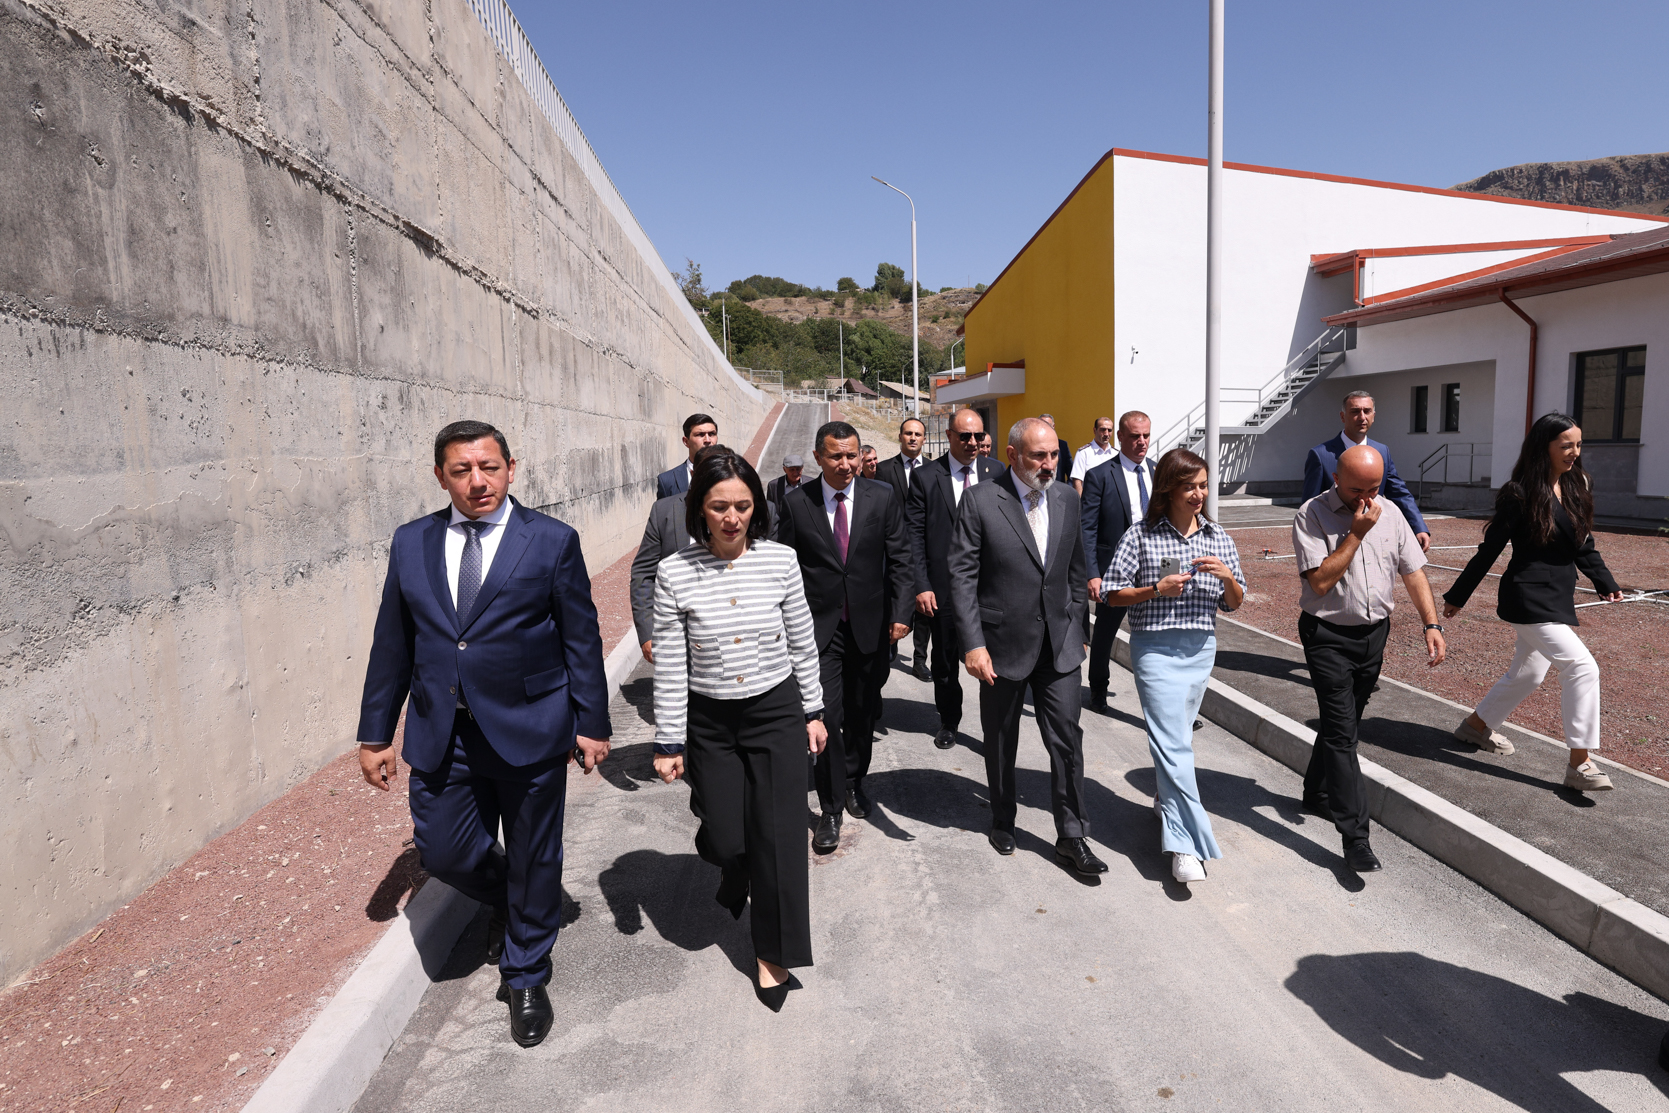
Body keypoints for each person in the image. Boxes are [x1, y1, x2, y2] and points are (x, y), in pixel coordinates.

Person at [357, 420, 612, 1048]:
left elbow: (580, 638)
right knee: (443, 851)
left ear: (511, 468)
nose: (478, 481)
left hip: (532, 727)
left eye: (490, 467)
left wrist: (591, 722)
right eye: (462, 470)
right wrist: (375, 733)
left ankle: (525, 974)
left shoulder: (550, 540)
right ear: (440, 476)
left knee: (535, 853)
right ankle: (512, 896)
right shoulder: (412, 542)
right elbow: (393, 641)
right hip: (443, 731)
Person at [649, 450, 827, 1012]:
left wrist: (814, 711)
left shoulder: (780, 561)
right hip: (710, 720)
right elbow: (671, 662)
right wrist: (669, 740)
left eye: (743, 506)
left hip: (776, 711)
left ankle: (774, 954)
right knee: (727, 837)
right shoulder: (675, 572)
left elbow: (802, 640)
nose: (732, 518)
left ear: (757, 507)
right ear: (699, 510)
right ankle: (736, 867)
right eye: (719, 506)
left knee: (780, 837)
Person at [948, 417, 1104, 875]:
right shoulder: (981, 500)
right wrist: (973, 644)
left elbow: (1076, 569)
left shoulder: (1066, 498)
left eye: (1054, 454)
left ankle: (1072, 835)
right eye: (1039, 455)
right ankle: (1003, 818)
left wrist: (1079, 629)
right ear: (1013, 454)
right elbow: (962, 576)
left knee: (1067, 739)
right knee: (1000, 737)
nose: (1049, 464)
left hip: (1060, 644)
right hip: (1001, 645)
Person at [1442, 413, 1625, 792]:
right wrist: (1458, 595)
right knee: (1582, 667)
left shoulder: (1576, 485)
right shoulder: (1520, 493)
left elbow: (1582, 544)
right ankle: (1580, 764)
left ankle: (1475, 726)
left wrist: (1605, 582)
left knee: (1528, 674)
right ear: (1544, 448)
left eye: (1578, 445)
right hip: (1526, 595)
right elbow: (1490, 548)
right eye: (1566, 446)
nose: (1575, 452)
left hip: (1557, 595)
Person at [1292, 444, 1447, 874]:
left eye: (1374, 489)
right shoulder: (1311, 515)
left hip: (1374, 634)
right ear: (1336, 479)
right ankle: (1356, 838)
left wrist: (1431, 623)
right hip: (1327, 635)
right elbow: (1320, 583)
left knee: (1343, 723)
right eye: (1357, 490)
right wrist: (1356, 533)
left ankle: (1315, 792)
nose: (1366, 499)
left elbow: (1412, 570)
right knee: (1344, 734)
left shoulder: (1390, 512)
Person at [1102, 448, 1244, 884]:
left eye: (1203, 485)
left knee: (1177, 739)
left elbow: (1234, 603)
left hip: (1200, 650)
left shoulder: (1218, 537)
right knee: (1174, 745)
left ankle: (1167, 801)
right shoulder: (1140, 535)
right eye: (1189, 487)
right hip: (1155, 650)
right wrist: (1155, 589)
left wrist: (1227, 577)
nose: (1199, 494)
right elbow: (1111, 594)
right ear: (1168, 489)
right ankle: (1185, 846)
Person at [776, 421, 914, 850]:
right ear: (818, 457)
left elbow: (901, 558)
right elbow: (784, 567)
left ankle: (855, 781)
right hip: (819, 630)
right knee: (826, 716)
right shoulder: (796, 504)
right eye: (836, 456)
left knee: (861, 712)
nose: (846, 463)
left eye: (852, 455)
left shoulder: (882, 497)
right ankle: (831, 807)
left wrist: (901, 613)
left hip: (871, 625)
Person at [907, 407, 1005, 749]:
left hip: (990, 589)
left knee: (994, 661)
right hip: (945, 588)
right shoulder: (925, 477)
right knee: (946, 661)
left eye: (979, 435)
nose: (973, 442)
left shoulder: (997, 473)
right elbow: (914, 536)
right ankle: (949, 721)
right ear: (949, 436)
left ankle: (995, 729)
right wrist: (922, 585)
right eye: (965, 436)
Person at [631, 446, 778, 663]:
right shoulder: (663, 512)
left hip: (748, 642)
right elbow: (643, 575)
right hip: (681, 640)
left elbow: (774, 576)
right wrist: (647, 632)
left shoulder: (764, 512)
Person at [1079, 410, 1156, 713]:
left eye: (1146, 435)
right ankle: (1098, 688)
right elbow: (1087, 529)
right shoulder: (1100, 475)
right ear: (1120, 437)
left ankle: (1167, 701)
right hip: (1115, 570)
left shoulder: (1158, 472)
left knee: (1159, 635)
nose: (1142, 441)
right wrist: (1092, 573)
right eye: (1135, 436)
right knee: (1105, 634)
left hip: (1155, 569)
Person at [1302, 390, 1431, 553]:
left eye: (1367, 411)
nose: (1362, 417)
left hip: (1374, 537)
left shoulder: (1382, 452)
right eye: (1355, 411)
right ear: (1342, 416)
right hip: (1335, 539)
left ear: (1373, 415)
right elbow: (1310, 506)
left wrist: (1418, 526)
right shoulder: (1321, 455)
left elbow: (1399, 493)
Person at [876, 417, 933, 679]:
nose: (913, 438)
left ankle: (919, 660)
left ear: (924, 439)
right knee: (894, 598)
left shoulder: (934, 470)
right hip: (893, 548)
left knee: (924, 606)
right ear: (900, 437)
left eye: (917, 434)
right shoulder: (884, 469)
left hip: (923, 549)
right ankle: (890, 647)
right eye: (908, 433)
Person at [656, 413, 720, 498]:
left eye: (712, 434)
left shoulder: (732, 475)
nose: (707, 440)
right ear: (686, 441)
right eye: (700, 434)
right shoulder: (667, 480)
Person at [1070, 416, 1119, 494]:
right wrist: (1081, 501)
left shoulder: (1116, 454)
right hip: (1091, 499)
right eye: (1103, 430)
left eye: (1109, 430)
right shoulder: (1083, 453)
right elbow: (1077, 482)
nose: (1106, 434)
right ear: (1094, 430)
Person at [1038, 413, 1073, 478]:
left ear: (1053, 426)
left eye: (1048, 425)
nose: (1045, 427)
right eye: (1042, 425)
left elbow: (1070, 470)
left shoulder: (1062, 445)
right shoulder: (1033, 444)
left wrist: (1069, 484)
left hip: (1057, 483)